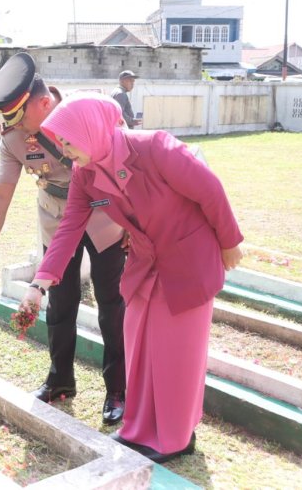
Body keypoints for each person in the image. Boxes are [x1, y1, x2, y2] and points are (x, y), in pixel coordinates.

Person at [20, 93, 244, 463]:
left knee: (176, 352)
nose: (63, 150)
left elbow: (209, 189)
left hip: (188, 260)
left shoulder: (154, 147)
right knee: (139, 344)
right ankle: (140, 430)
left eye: (66, 140)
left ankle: (175, 438)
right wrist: (38, 284)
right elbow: (68, 228)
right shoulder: (86, 174)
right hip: (145, 264)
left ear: (89, 130)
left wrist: (230, 241)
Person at [0, 53, 127, 424]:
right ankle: (60, 380)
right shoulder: (14, 138)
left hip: (105, 217)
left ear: (43, 103)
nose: (16, 127)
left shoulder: (86, 109)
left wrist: (132, 226)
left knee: (112, 302)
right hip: (57, 218)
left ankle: (118, 387)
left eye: (19, 117)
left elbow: (126, 166)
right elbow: (0, 193)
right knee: (60, 301)